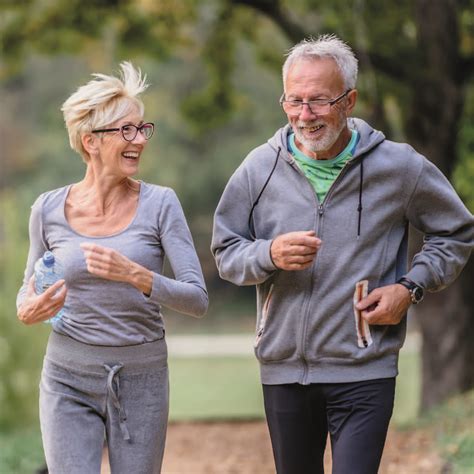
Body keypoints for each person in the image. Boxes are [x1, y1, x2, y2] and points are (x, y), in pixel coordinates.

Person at [211, 35, 473, 474]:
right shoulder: (259, 167)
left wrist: (410, 288)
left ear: (349, 100)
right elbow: (225, 250)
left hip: (364, 368)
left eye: (318, 101)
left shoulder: (399, 167)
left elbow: (457, 231)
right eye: (294, 101)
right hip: (284, 372)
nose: (304, 115)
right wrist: (268, 254)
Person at [17, 62, 208, 474]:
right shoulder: (47, 209)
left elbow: (198, 299)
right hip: (66, 375)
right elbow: (26, 289)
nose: (139, 139)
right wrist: (27, 308)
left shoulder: (161, 204)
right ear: (90, 142)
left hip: (142, 378)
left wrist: (137, 276)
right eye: (126, 130)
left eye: (142, 128)